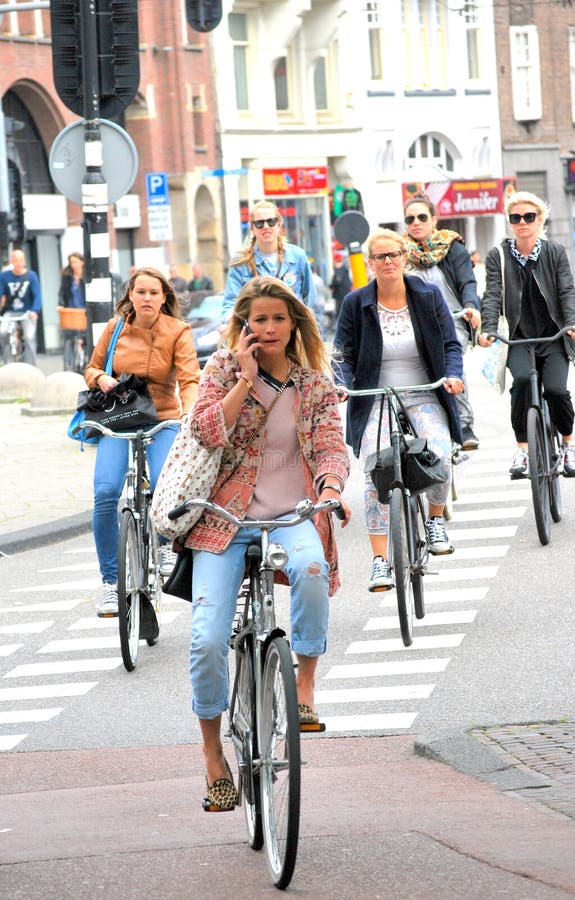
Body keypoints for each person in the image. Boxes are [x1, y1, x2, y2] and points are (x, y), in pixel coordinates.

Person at [185, 274, 351, 810]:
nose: (270, 327)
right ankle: (214, 756)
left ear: (294, 324)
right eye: (260, 319)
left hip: (293, 514)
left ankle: (303, 686)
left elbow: (330, 447)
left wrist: (331, 491)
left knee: (310, 572)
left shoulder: (315, 385)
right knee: (208, 638)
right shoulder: (222, 371)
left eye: (280, 318)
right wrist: (244, 379)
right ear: (244, 327)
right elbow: (207, 431)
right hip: (221, 521)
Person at [334, 228, 464, 592]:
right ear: (370, 262)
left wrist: (452, 376)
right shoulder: (355, 303)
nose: (388, 262)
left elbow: (451, 344)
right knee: (378, 470)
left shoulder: (427, 295)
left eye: (394, 255)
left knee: (438, 451)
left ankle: (436, 521)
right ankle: (380, 561)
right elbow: (341, 354)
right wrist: (342, 383)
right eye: (381, 257)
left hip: (424, 391)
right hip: (374, 394)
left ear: (404, 257)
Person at [84, 266, 201, 617]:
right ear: (131, 296)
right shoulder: (115, 327)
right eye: (141, 292)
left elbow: (190, 378)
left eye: (154, 292)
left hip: (163, 418)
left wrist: (190, 416)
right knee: (105, 492)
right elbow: (89, 368)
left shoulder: (178, 331)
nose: (147, 298)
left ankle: (166, 544)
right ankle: (109, 583)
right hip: (117, 419)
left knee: (167, 482)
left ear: (164, 296)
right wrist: (102, 377)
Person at [479, 191, 575, 479]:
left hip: (554, 336)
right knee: (521, 382)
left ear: (540, 220)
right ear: (510, 222)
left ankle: (569, 443)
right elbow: (493, 293)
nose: (522, 222)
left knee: (556, 390)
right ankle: (523, 448)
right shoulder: (498, 255)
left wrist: (571, 323)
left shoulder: (555, 252)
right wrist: (489, 328)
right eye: (516, 217)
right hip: (519, 339)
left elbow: (566, 291)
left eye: (529, 217)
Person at [402, 194, 481, 451]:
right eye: (410, 218)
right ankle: (406, 412)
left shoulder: (453, 247)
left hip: (453, 321)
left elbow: (468, 283)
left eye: (422, 217)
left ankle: (465, 423)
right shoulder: (399, 253)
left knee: (449, 357)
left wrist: (470, 306)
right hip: (415, 325)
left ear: (434, 219)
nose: (416, 222)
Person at [221, 200, 319, 328]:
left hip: (294, 333)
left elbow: (310, 301)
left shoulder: (298, 256)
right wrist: (232, 324)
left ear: (279, 224)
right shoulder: (241, 261)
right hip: (257, 334)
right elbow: (229, 305)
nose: (266, 226)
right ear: (252, 228)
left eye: (271, 221)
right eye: (259, 223)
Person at [0, 249, 42, 365]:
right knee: (3, 332)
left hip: (27, 312)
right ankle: (7, 362)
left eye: (21, 260)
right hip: (10, 312)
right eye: (15, 260)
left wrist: (34, 311)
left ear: (24, 261)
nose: (18, 263)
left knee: (29, 337)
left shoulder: (31, 276)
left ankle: (33, 365)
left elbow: (37, 295)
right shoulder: (4, 276)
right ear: (11, 261)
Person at [330, 251, 352, 324]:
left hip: (340, 294)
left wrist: (332, 286)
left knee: (340, 311)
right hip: (346, 293)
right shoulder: (345, 269)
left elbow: (338, 280)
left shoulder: (339, 268)